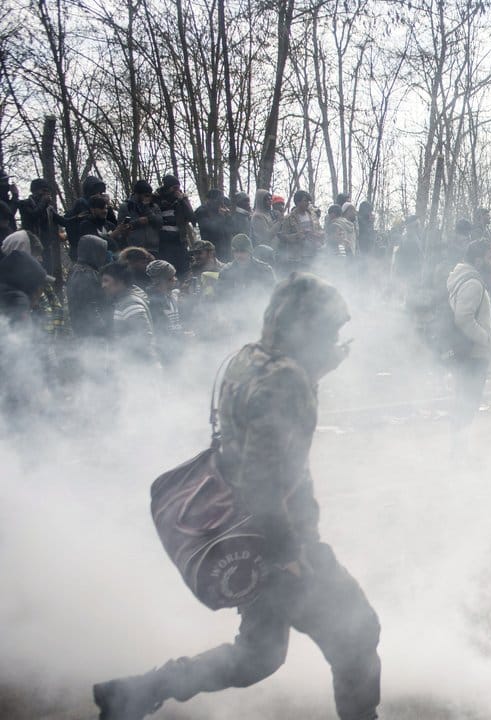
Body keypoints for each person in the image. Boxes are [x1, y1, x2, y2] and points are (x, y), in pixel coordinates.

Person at [92, 273, 381, 720]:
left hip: (246, 533)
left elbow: (258, 420)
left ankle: (137, 692)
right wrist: (288, 554)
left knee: (257, 656)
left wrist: (319, 367)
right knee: (358, 634)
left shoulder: (250, 358)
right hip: (282, 541)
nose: (334, 338)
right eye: (328, 331)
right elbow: (263, 479)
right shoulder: (287, 382)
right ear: (307, 327)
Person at [447, 240, 491, 442]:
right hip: (473, 354)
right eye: (489, 257)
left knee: (464, 402)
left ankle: (459, 451)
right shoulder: (473, 283)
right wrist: (487, 339)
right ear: (478, 260)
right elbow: (463, 318)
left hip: (469, 353)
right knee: (467, 404)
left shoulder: (467, 278)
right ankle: (458, 454)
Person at [100, 261, 159, 365]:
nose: (103, 285)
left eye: (106, 280)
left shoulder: (130, 304)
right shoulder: (123, 302)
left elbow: (143, 339)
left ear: (120, 281)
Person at [65, 234, 113, 339]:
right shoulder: (87, 273)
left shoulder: (75, 269)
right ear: (94, 252)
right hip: (91, 330)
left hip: (81, 325)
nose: (104, 256)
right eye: (101, 252)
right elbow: (91, 305)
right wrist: (104, 329)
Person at [145, 260, 185, 366]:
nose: (175, 280)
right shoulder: (153, 302)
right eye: (172, 277)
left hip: (176, 350)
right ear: (162, 280)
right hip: (164, 354)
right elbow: (161, 332)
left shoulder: (170, 296)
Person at [155, 175, 195, 278]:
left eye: (178, 187)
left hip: (179, 240)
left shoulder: (181, 199)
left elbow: (191, 217)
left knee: (183, 270)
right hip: (163, 242)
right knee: (168, 270)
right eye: (174, 188)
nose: (177, 190)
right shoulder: (156, 198)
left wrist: (183, 200)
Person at [219, 233, 277, 304]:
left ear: (250, 251)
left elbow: (273, 295)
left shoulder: (264, 270)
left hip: (258, 308)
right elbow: (220, 298)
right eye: (236, 251)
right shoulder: (226, 271)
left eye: (243, 251)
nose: (239, 255)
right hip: (232, 309)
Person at [277, 190, 322, 274]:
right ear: (297, 202)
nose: (307, 203)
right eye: (305, 201)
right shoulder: (289, 218)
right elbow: (283, 237)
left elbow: (320, 230)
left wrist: (318, 235)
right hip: (297, 256)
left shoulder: (313, 215)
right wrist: (298, 236)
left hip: (313, 254)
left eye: (308, 201)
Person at [120, 181, 163, 253]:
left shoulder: (154, 207)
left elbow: (159, 223)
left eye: (149, 195)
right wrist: (137, 222)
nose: (148, 198)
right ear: (137, 194)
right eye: (145, 195)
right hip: (134, 248)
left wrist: (147, 209)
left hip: (153, 248)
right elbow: (121, 228)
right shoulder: (126, 206)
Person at [195, 189, 233, 260]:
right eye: (218, 200)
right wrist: (222, 218)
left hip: (224, 248)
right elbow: (210, 227)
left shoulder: (220, 211)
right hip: (210, 249)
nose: (221, 203)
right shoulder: (202, 211)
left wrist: (228, 216)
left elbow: (231, 228)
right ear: (210, 200)